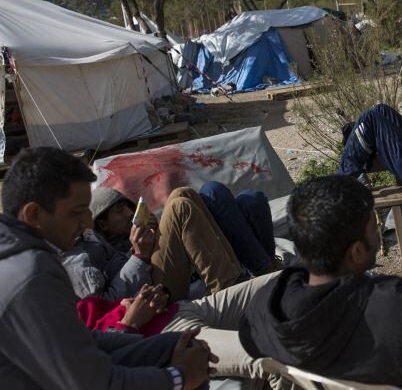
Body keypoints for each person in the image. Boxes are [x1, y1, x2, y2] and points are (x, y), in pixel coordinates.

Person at [239, 175, 402, 390]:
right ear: (356, 252)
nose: (379, 232)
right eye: (373, 226)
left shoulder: (266, 309)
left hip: (371, 347)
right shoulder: (395, 311)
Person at [0, 147, 216, 390]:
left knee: (179, 346)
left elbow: (81, 340)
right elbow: (93, 383)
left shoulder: (25, 256)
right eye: (77, 212)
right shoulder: (31, 275)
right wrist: (180, 378)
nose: (85, 223)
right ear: (34, 214)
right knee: (186, 360)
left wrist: (134, 337)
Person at [77, 274, 278, 380]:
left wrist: (152, 297)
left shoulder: (71, 308)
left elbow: (113, 308)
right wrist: (130, 322)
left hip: (184, 309)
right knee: (274, 358)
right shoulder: (56, 349)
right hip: (170, 337)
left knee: (289, 281)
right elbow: (106, 371)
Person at [66, 185, 244, 303]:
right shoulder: (74, 260)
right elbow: (105, 305)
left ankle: (236, 275)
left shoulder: (91, 239)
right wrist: (138, 256)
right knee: (179, 208)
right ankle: (230, 292)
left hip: (147, 276)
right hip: (148, 297)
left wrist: (151, 236)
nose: (129, 213)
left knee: (182, 193)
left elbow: (117, 265)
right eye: (121, 211)